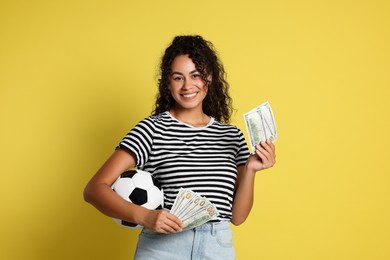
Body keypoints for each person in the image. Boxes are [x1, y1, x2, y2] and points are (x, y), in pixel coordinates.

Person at [83, 35, 276, 259]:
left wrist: (251, 169)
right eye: (178, 78)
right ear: (168, 82)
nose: (187, 86)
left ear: (209, 78)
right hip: (163, 249)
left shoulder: (231, 136)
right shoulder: (152, 129)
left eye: (195, 75)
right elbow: (94, 189)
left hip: (217, 248)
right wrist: (144, 216)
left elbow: (238, 217)